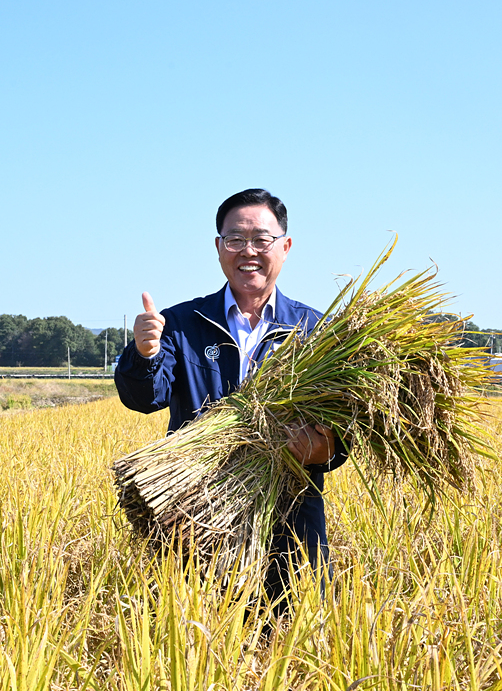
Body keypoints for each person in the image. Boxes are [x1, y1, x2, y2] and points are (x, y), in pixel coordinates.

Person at [114, 188, 347, 608]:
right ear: (219, 247)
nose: (248, 251)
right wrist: (144, 353)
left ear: (285, 247)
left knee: (295, 631)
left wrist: (321, 448)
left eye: (261, 239)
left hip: (291, 517)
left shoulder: (316, 332)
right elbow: (146, 398)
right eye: (236, 239)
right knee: (196, 632)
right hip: (195, 513)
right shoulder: (182, 323)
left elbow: (342, 430)